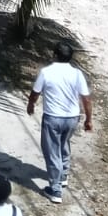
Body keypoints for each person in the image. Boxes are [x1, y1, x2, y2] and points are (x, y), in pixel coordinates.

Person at [26, 39, 93, 204]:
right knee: (64, 144)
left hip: (52, 117)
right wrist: (88, 119)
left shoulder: (46, 72)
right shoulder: (77, 74)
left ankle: (55, 189)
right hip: (72, 118)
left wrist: (31, 104)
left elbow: (35, 92)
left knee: (52, 151)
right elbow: (86, 99)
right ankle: (63, 175)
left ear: (54, 55)